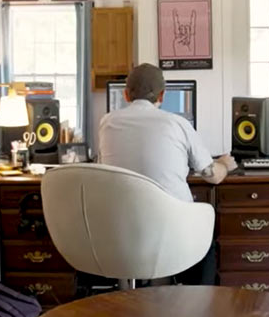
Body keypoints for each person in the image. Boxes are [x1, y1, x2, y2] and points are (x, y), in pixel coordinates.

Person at [98, 63, 235, 285]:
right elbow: (212, 176)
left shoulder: (107, 123)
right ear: (162, 95)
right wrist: (224, 164)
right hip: (172, 232)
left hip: (123, 230)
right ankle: (196, 308)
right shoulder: (177, 123)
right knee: (205, 241)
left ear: (125, 94)